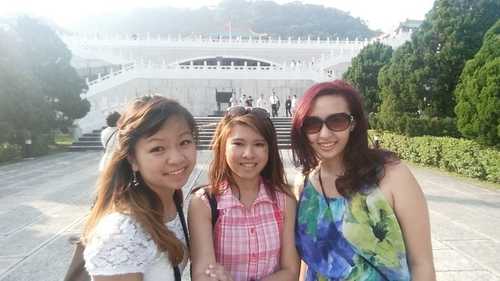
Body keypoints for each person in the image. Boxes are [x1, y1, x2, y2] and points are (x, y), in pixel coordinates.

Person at [290, 80, 435, 281]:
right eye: (312, 124)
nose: (324, 134)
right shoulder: (303, 184)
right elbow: (310, 261)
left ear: (353, 123)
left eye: (337, 121)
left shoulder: (391, 175)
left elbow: (422, 263)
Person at [83, 96, 198, 281]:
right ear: (133, 159)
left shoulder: (172, 199)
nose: (176, 158)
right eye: (158, 148)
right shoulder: (122, 234)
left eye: (184, 142)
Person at [189, 106, 299, 281]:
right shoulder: (204, 203)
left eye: (259, 144)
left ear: (269, 150)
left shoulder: (284, 199)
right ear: (223, 146)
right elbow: (203, 274)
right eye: (238, 144)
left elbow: (291, 271)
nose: (248, 154)